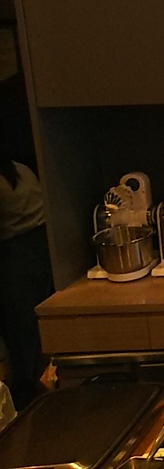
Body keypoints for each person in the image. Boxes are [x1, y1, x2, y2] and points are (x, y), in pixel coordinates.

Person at [0, 146, 52, 410]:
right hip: (43, 248)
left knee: (20, 330)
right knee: (34, 327)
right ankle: (38, 387)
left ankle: (28, 398)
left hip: (16, 256)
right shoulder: (20, 169)